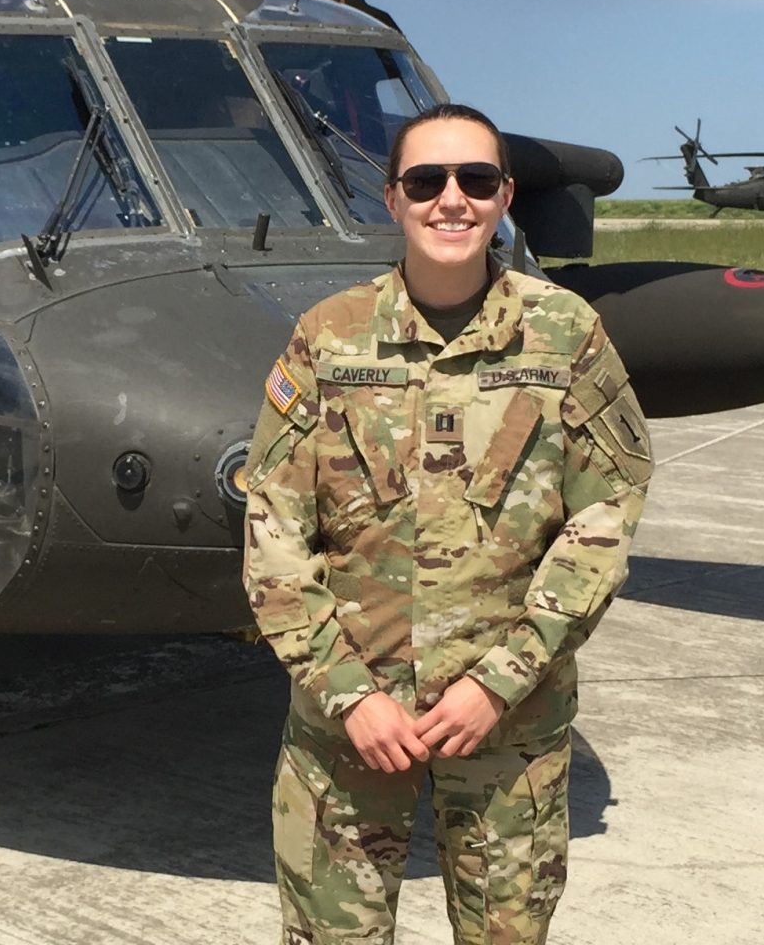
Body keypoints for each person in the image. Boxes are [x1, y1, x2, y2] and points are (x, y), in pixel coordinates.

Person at [243, 102, 654, 944]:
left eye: (476, 179)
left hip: (508, 728)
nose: (452, 199)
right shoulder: (330, 337)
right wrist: (350, 693)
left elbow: (604, 517)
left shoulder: (564, 334)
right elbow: (273, 528)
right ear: (393, 199)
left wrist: (497, 681)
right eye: (428, 180)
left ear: (505, 196)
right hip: (349, 730)